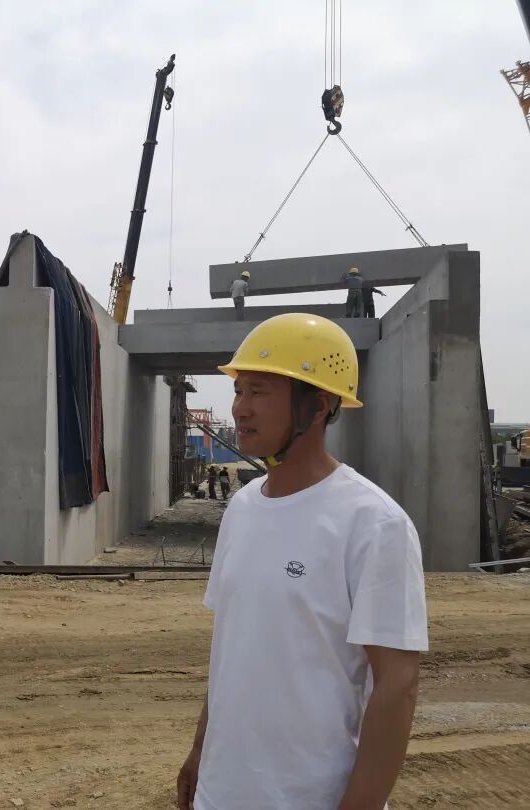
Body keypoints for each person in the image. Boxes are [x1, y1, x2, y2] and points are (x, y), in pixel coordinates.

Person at [176, 313, 428, 810]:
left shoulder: (373, 523)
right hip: (220, 794)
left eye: (259, 391)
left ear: (318, 406)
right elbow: (233, 653)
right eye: (239, 390)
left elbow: (397, 685)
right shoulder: (241, 510)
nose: (240, 407)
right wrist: (200, 752)